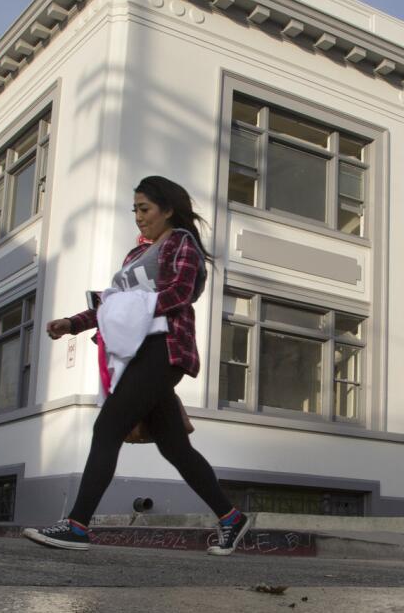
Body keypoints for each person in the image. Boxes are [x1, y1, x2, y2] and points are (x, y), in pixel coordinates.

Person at [24, 176, 252, 555]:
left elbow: (181, 292)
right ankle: (231, 518)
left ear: (168, 210)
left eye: (144, 209)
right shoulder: (134, 256)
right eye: (135, 210)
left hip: (164, 349)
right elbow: (112, 302)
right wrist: (73, 324)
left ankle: (78, 525)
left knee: (109, 424)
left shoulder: (182, 243)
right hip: (137, 352)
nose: (138, 217)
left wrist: (132, 309)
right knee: (174, 447)